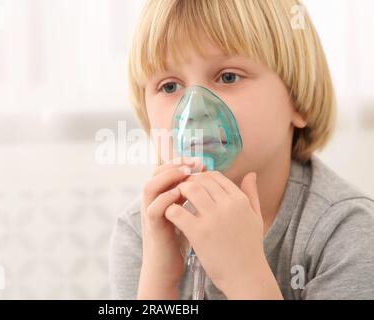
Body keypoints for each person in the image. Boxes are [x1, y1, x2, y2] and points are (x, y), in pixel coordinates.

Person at [109, 0, 374, 299]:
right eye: (170, 87)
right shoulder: (141, 232)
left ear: (297, 100)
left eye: (228, 77)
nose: (195, 110)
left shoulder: (345, 232)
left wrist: (245, 278)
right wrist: (159, 281)